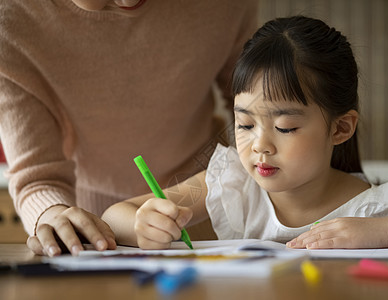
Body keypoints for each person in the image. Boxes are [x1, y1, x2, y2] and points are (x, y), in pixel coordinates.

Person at [102, 14, 388, 250]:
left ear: (340, 128)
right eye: (245, 124)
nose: (260, 146)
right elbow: (114, 215)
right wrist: (141, 225)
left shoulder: (373, 208)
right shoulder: (232, 183)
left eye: (285, 127)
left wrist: (387, 229)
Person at [0, 0, 257, 256]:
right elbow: (38, 176)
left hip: (206, 215)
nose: (129, 2)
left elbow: (257, 109)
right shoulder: (9, 24)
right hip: (94, 232)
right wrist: (56, 215)